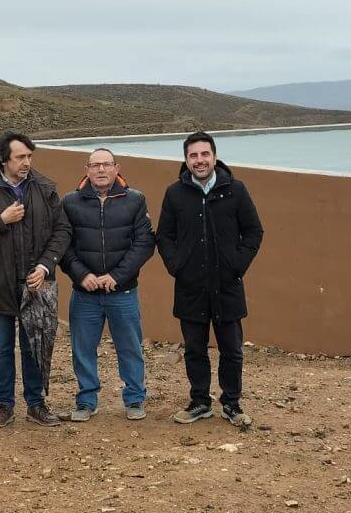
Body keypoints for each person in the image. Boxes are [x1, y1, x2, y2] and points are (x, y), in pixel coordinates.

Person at [0, 130, 71, 428]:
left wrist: (45, 266)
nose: (26, 162)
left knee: (35, 345)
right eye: (20, 157)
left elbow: (62, 232)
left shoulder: (45, 188)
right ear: (3, 159)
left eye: (29, 156)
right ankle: (4, 406)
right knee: (2, 348)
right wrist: (0, 221)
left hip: (36, 285)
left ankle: (36, 404)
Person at [156, 131, 264, 426]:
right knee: (194, 349)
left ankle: (231, 404)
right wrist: (176, 265)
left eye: (204, 154)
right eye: (193, 155)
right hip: (190, 287)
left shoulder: (235, 190)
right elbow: (164, 235)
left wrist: (237, 264)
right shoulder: (175, 193)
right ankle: (200, 401)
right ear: (186, 159)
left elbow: (254, 231)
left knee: (232, 350)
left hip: (227, 286)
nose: (199, 160)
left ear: (214, 157)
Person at [59, 147, 155, 421]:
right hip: (84, 293)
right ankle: (86, 401)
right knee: (83, 348)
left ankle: (135, 399)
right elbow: (63, 246)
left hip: (122, 291)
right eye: (95, 165)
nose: (101, 170)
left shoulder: (135, 200)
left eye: (106, 164)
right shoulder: (70, 202)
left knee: (130, 348)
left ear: (117, 168)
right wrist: (82, 275)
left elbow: (144, 243)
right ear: (86, 170)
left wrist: (117, 276)